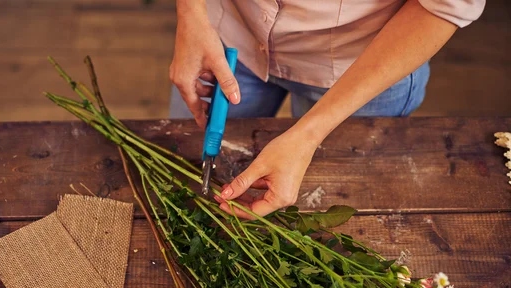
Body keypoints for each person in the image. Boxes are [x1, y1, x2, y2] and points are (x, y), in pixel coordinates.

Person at [169, 0, 485, 219]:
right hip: (227, 35)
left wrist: (308, 136)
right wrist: (191, 17)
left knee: (333, 196)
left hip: (363, 67)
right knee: (181, 156)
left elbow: (445, 7)